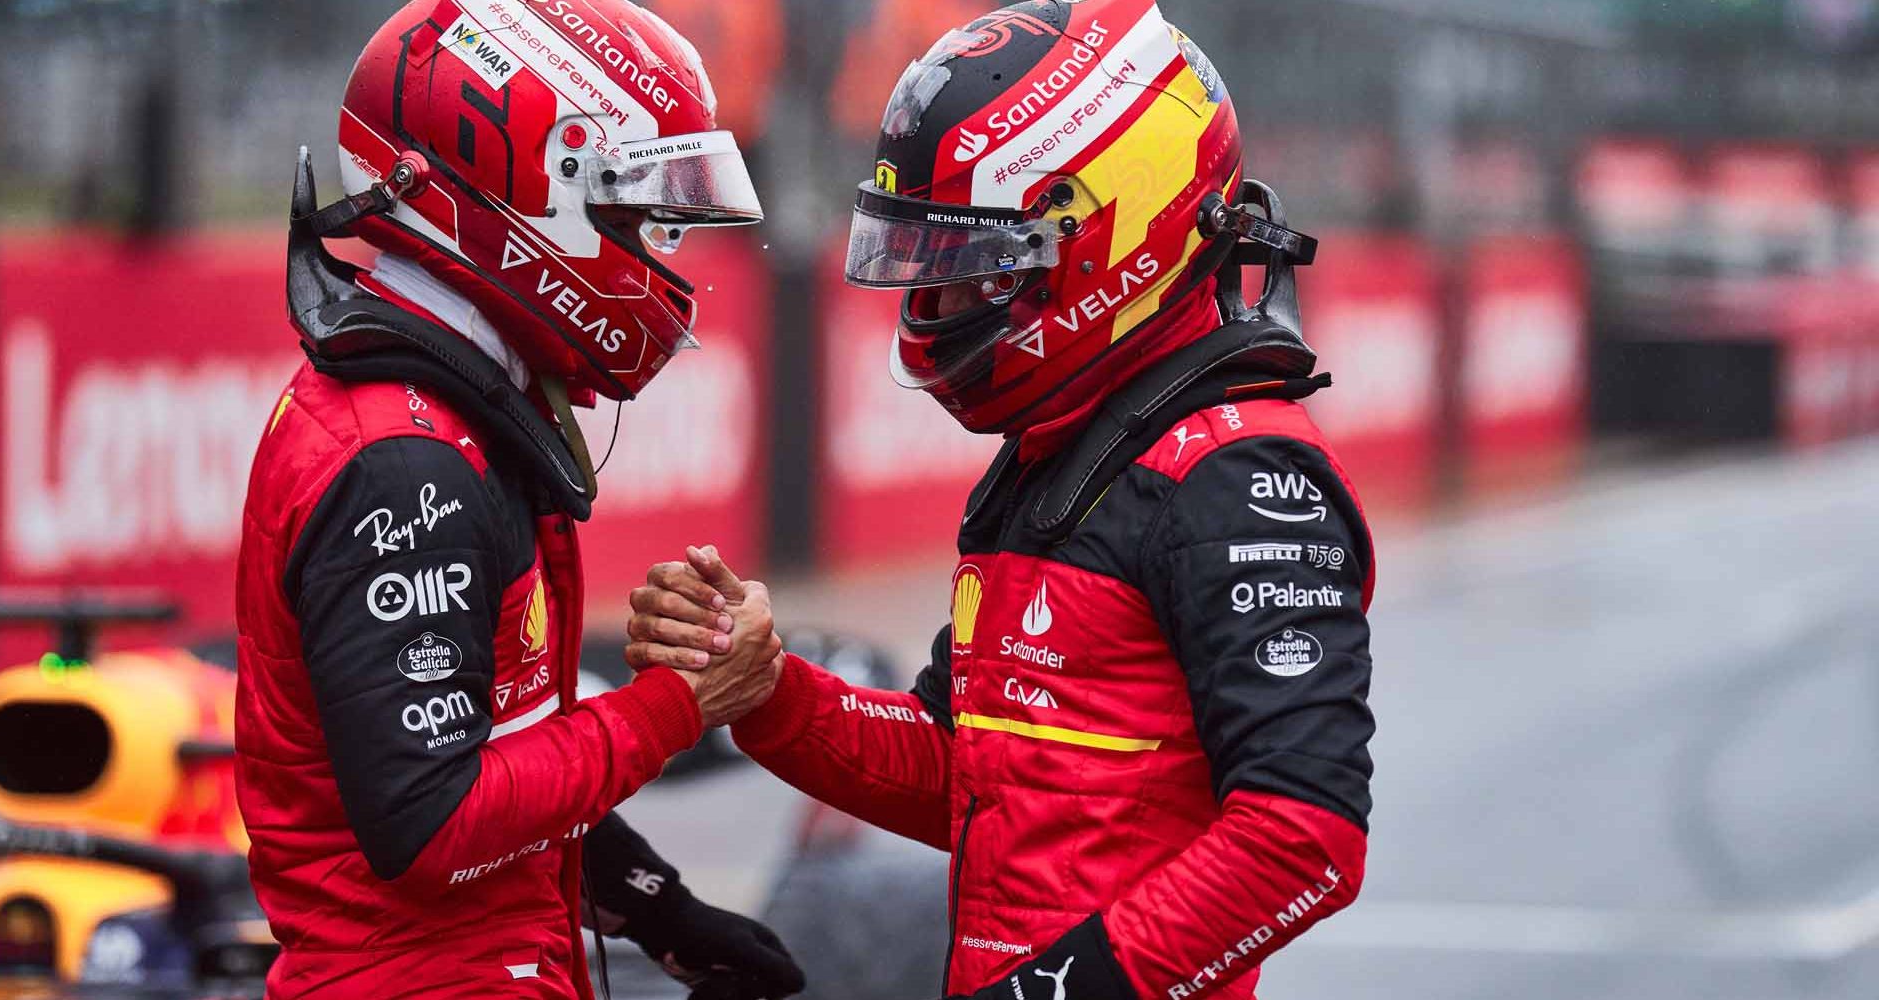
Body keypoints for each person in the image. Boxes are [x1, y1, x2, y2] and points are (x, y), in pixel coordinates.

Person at [626, 1, 1375, 998]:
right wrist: (768, 689)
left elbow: (1306, 834)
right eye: (926, 269)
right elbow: (964, 772)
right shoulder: (1061, 448)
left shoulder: (1238, 480)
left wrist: (1055, 989)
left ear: (1106, 239)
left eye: (970, 268)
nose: (932, 307)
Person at [234, 2, 802, 997]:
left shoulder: (444, 402)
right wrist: (678, 705)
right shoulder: (402, 460)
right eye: (628, 214)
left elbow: (491, 746)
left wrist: (653, 903)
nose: (657, 253)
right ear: (532, 189)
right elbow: (433, 824)